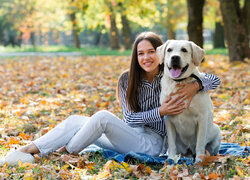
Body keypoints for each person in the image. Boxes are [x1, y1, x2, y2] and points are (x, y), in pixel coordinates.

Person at [0, 32, 220, 166]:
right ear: (136, 56)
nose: (146, 57)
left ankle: (61, 152)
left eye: (151, 51)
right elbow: (131, 120)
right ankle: (27, 150)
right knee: (77, 119)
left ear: (160, 54)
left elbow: (214, 79)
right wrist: (160, 111)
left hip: (153, 144)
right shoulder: (127, 79)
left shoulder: (173, 75)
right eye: (141, 53)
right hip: (131, 133)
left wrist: (195, 86)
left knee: (103, 117)